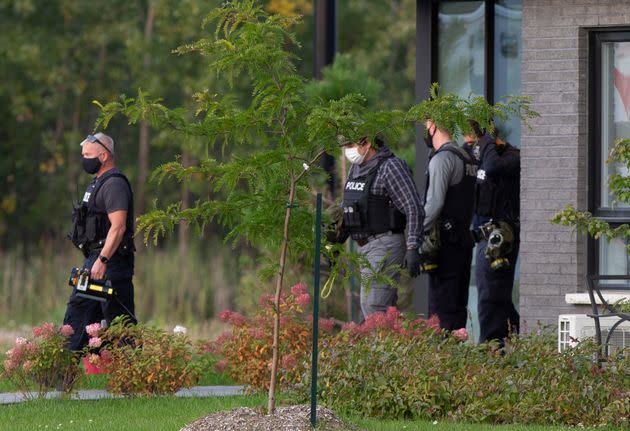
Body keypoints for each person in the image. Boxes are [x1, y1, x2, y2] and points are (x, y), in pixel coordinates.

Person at [334, 135, 424, 318]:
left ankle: (382, 345)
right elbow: (350, 208)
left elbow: (413, 207)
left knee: (374, 306)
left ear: (367, 143)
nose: (347, 151)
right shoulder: (356, 169)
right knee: (381, 309)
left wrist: (413, 246)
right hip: (364, 247)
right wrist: (335, 241)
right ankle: (399, 345)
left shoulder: (390, 167)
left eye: (350, 145)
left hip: (385, 243)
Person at [65, 132, 136, 350]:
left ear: (103, 156)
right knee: (78, 315)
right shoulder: (97, 183)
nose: (84, 159)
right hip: (95, 261)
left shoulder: (114, 184)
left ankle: (136, 378)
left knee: (120, 322)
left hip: (111, 263)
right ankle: (61, 376)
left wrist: (103, 259)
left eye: (88, 154)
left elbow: (119, 226)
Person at [464, 122, 520, 344]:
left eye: (473, 142)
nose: (471, 147)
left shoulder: (512, 157)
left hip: (502, 238)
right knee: (495, 296)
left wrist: (485, 140)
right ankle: (517, 336)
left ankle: (490, 348)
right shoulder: (482, 158)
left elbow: (494, 167)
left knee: (491, 296)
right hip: (483, 237)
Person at [421, 119, 477, 331]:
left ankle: (443, 359)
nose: (426, 132)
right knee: (457, 308)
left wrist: (416, 232)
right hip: (464, 239)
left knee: (441, 312)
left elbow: (434, 204)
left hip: (446, 245)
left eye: (427, 127)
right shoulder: (467, 157)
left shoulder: (442, 158)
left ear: (434, 126)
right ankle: (457, 359)